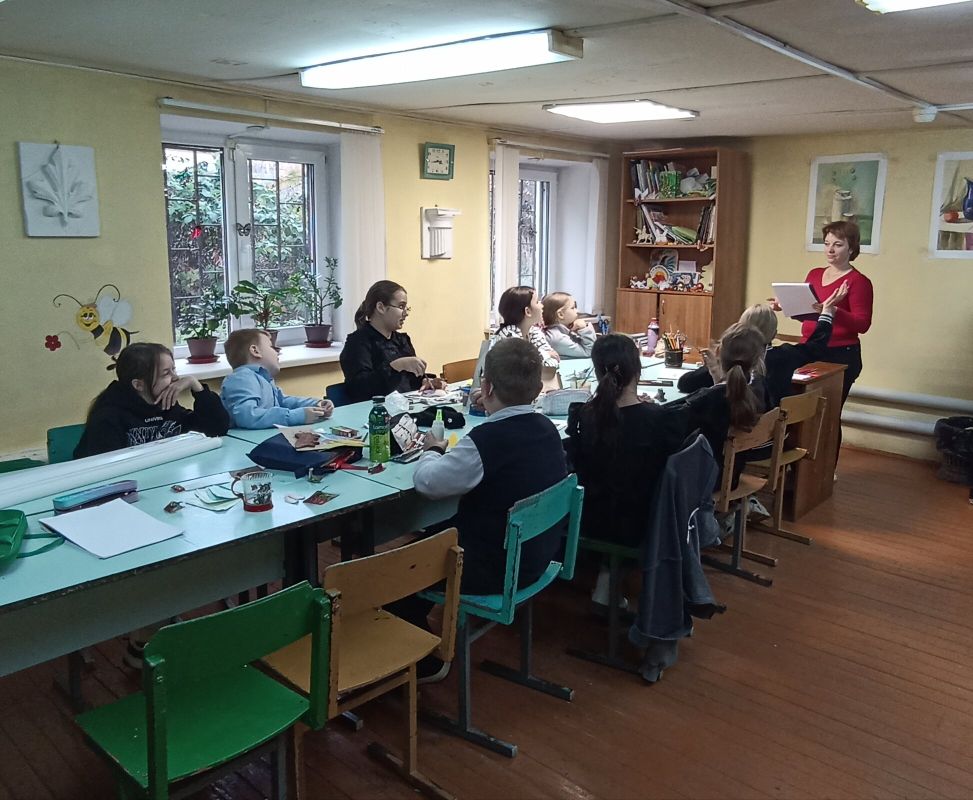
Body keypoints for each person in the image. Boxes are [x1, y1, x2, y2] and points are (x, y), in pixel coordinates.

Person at [395, 338, 568, 682]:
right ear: (537, 389)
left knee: (398, 568)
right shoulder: (547, 429)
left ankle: (425, 660)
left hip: (496, 568)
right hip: (536, 555)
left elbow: (427, 483)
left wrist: (432, 449)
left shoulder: (486, 441)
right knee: (430, 539)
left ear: (485, 388)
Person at [566, 334, 688, 610]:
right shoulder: (660, 419)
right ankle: (610, 580)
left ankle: (605, 576)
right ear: (638, 370)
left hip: (594, 518)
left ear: (597, 373)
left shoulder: (585, 417)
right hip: (647, 519)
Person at [678, 280, 849, 407]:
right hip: (771, 433)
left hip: (735, 436)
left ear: (740, 327)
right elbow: (816, 346)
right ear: (774, 333)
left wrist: (712, 368)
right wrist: (826, 313)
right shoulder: (784, 355)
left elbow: (685, 383)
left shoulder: (729, 355)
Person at [74, 342, 229, 458]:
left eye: (174, 369)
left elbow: (216, 429)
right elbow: (105, 467)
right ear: (138, 385)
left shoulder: (165, 404)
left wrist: (196, 386)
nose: (176, 378)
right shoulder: (108, 416)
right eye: (166, 373)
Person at [681, 324, 768, 487]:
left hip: (702, 480)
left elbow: (673, 423)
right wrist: (717, 377)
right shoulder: (757, 388)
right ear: (758, 360)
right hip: (732, 474)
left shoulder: (708, 399)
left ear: (718, 352)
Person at [801, 221, 873, 407]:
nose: (830, 250)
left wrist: (833, 311)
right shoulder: (814, 274)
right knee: (802, 411)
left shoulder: (859, 281)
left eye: (837, 245)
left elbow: (863, 324)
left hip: (839, 354)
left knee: (828, 414)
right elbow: (808, 311)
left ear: (851, 248)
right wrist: (786, 304)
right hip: (809, 348)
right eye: (827, 244)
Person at [220, 328, 334, 428]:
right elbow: (247, 416)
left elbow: (283, 401)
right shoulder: (241, 378)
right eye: (271, 347)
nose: (277, 353)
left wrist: (315, 404)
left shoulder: (263, 378)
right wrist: (296, 416)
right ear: (255, 351)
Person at [340, 280, 432, 403]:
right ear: (381, 307)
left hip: (406, 406)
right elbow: (359, 388)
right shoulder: (357, 342)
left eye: (406, 308)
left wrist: (425, 382)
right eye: (401, 307)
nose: (406, 313)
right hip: (374, 410)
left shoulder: (402, 340)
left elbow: (411, 381)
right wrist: (396, 366)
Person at [491, 285, 559, 368]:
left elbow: (554, 359)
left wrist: (541, 357)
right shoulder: (508, 336)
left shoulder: (535, 332)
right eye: (537, 302)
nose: (542, 305)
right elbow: (522, 366)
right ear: (528, 311)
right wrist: (546, 355)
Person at [542, 291, 596, 358]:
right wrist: (584, 329)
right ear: (560, 314)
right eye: (573, 308)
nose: (577, 311)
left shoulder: (564, 330)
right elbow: (590, 352)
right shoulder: (558, 338)